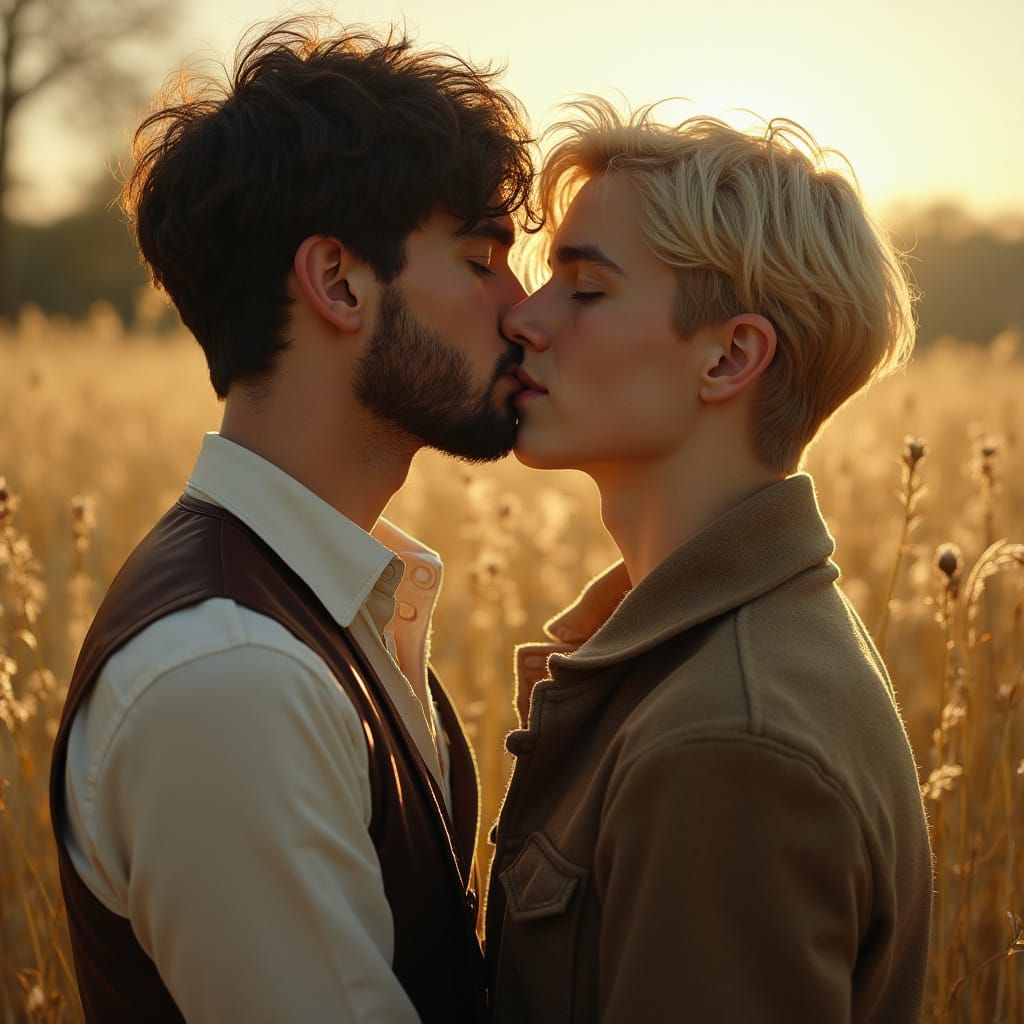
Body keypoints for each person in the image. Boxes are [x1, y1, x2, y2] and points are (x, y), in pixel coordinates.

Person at [48, 17, 534, 1024]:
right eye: (482, 260)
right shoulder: (232, 675)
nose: (523, 310)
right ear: (339, 282)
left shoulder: (325, 602)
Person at [486, 100, 933, 1022]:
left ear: (730, 357)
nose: (522, 320)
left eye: (585, 288)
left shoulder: (727, 744)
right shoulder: (735, 651)